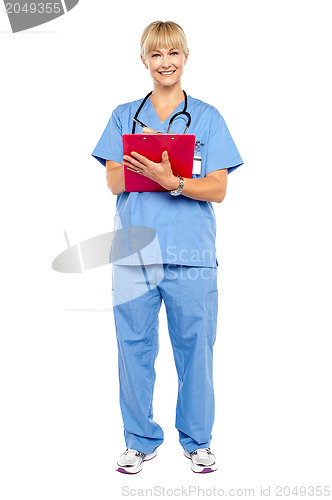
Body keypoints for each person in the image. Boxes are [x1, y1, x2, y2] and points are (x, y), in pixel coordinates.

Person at [91, 20, 243, 474]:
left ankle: (197, 441)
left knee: (196, 348)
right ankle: (139, 440)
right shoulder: (124, 115)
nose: (166, 62)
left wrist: (171, 180)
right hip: (135, 253)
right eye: (156, 55)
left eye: (173, 53)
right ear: (144, 61)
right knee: (133, 348)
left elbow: (217, 188)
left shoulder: (208, 118)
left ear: (186, 57)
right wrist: (151, 170)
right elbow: (114, 179)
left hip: (191, 255)